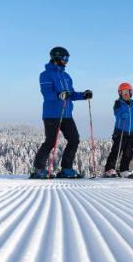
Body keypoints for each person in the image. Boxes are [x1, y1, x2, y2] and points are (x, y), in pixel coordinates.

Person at [31, 46, 92, 178]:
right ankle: (38, 169)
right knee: (51, 141)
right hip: (52, 114)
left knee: (74, 139)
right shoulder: (45, 75)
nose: (66, 61)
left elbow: (71, 94)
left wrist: (84, 95)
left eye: (67, 59)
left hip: (67, 114)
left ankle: (66, 168)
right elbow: (46, 94)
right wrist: (59, 95)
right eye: (65, 58)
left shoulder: (66, 76)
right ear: (56, 57)